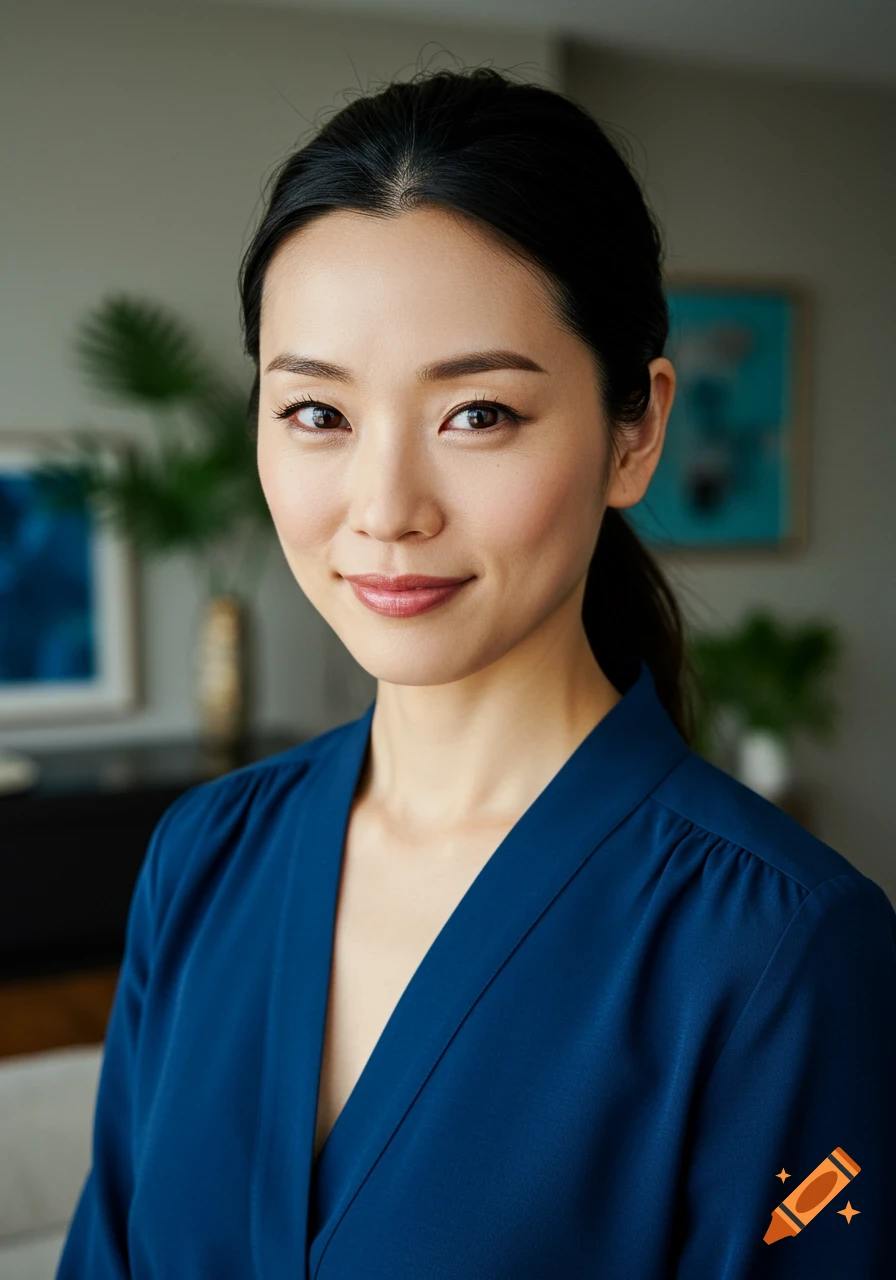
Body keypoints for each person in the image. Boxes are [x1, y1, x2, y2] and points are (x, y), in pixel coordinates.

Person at [56, 62, 896, 1280]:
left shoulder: (778, 945)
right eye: (316, 414)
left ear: (634, 429)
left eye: (477, 414)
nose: (384, 509)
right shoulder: (203, 856)